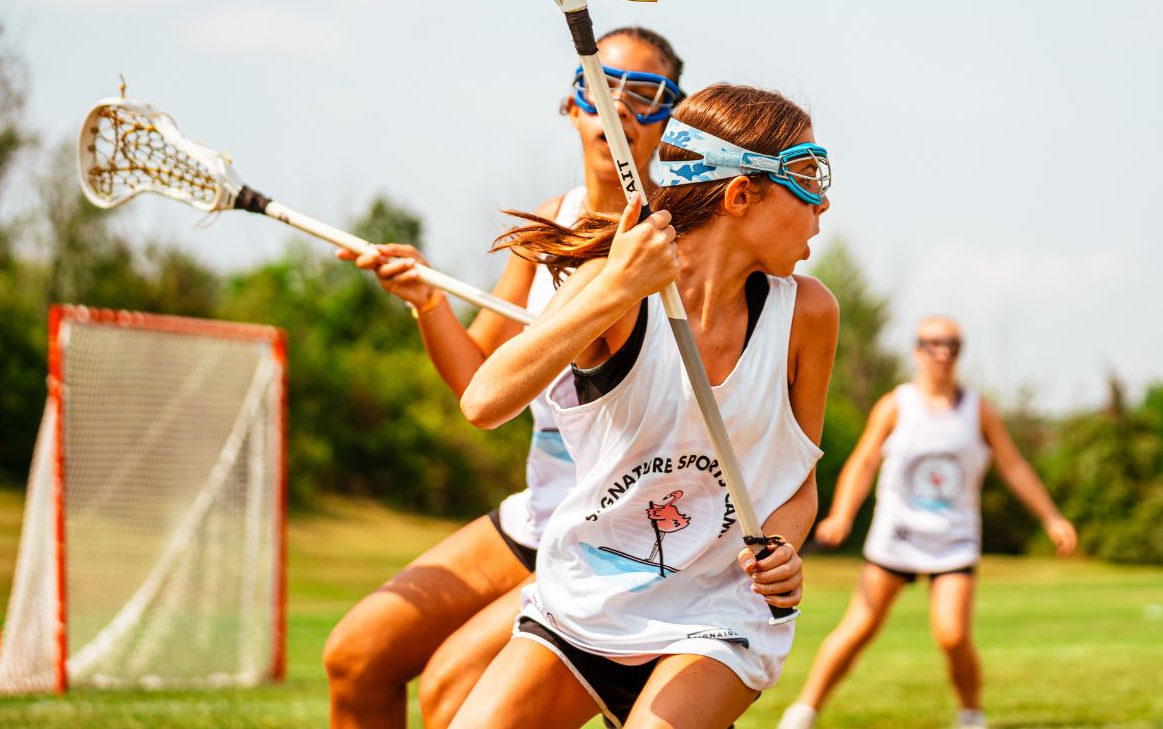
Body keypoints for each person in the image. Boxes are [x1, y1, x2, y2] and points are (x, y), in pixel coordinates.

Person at [322, 28, 687, 729]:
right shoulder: (546, 227)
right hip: (540, 516)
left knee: (452, 693)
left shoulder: (681, 234)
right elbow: (478, 385)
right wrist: (427, 301)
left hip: (621, 534)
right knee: (356, 657)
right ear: (572, 103)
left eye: (644, 95)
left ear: (672, 115)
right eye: (600, 86)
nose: (618, 107)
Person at [447, 84, 838, 729]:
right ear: (741, 195)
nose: (822, 203)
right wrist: (613, 288)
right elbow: (484, 401)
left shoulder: (809, 314)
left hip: (718, 615)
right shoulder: (618, 286)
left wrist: (785, 548)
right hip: (584, 598)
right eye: (803, 178)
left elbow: (798, 488)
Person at [779, 317, 1077, 729]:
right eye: (934, 344)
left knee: (953, 635)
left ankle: (971, 715)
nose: (943, 354)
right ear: (917, 351)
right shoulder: (896, 405)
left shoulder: (978, 409)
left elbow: (1014, 466)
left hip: (953, 539)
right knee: (858, 628)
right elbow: (864, 462)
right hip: (896, 536)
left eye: (952, 345)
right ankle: (803, 711)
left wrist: (1052, 517)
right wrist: (842, 514)